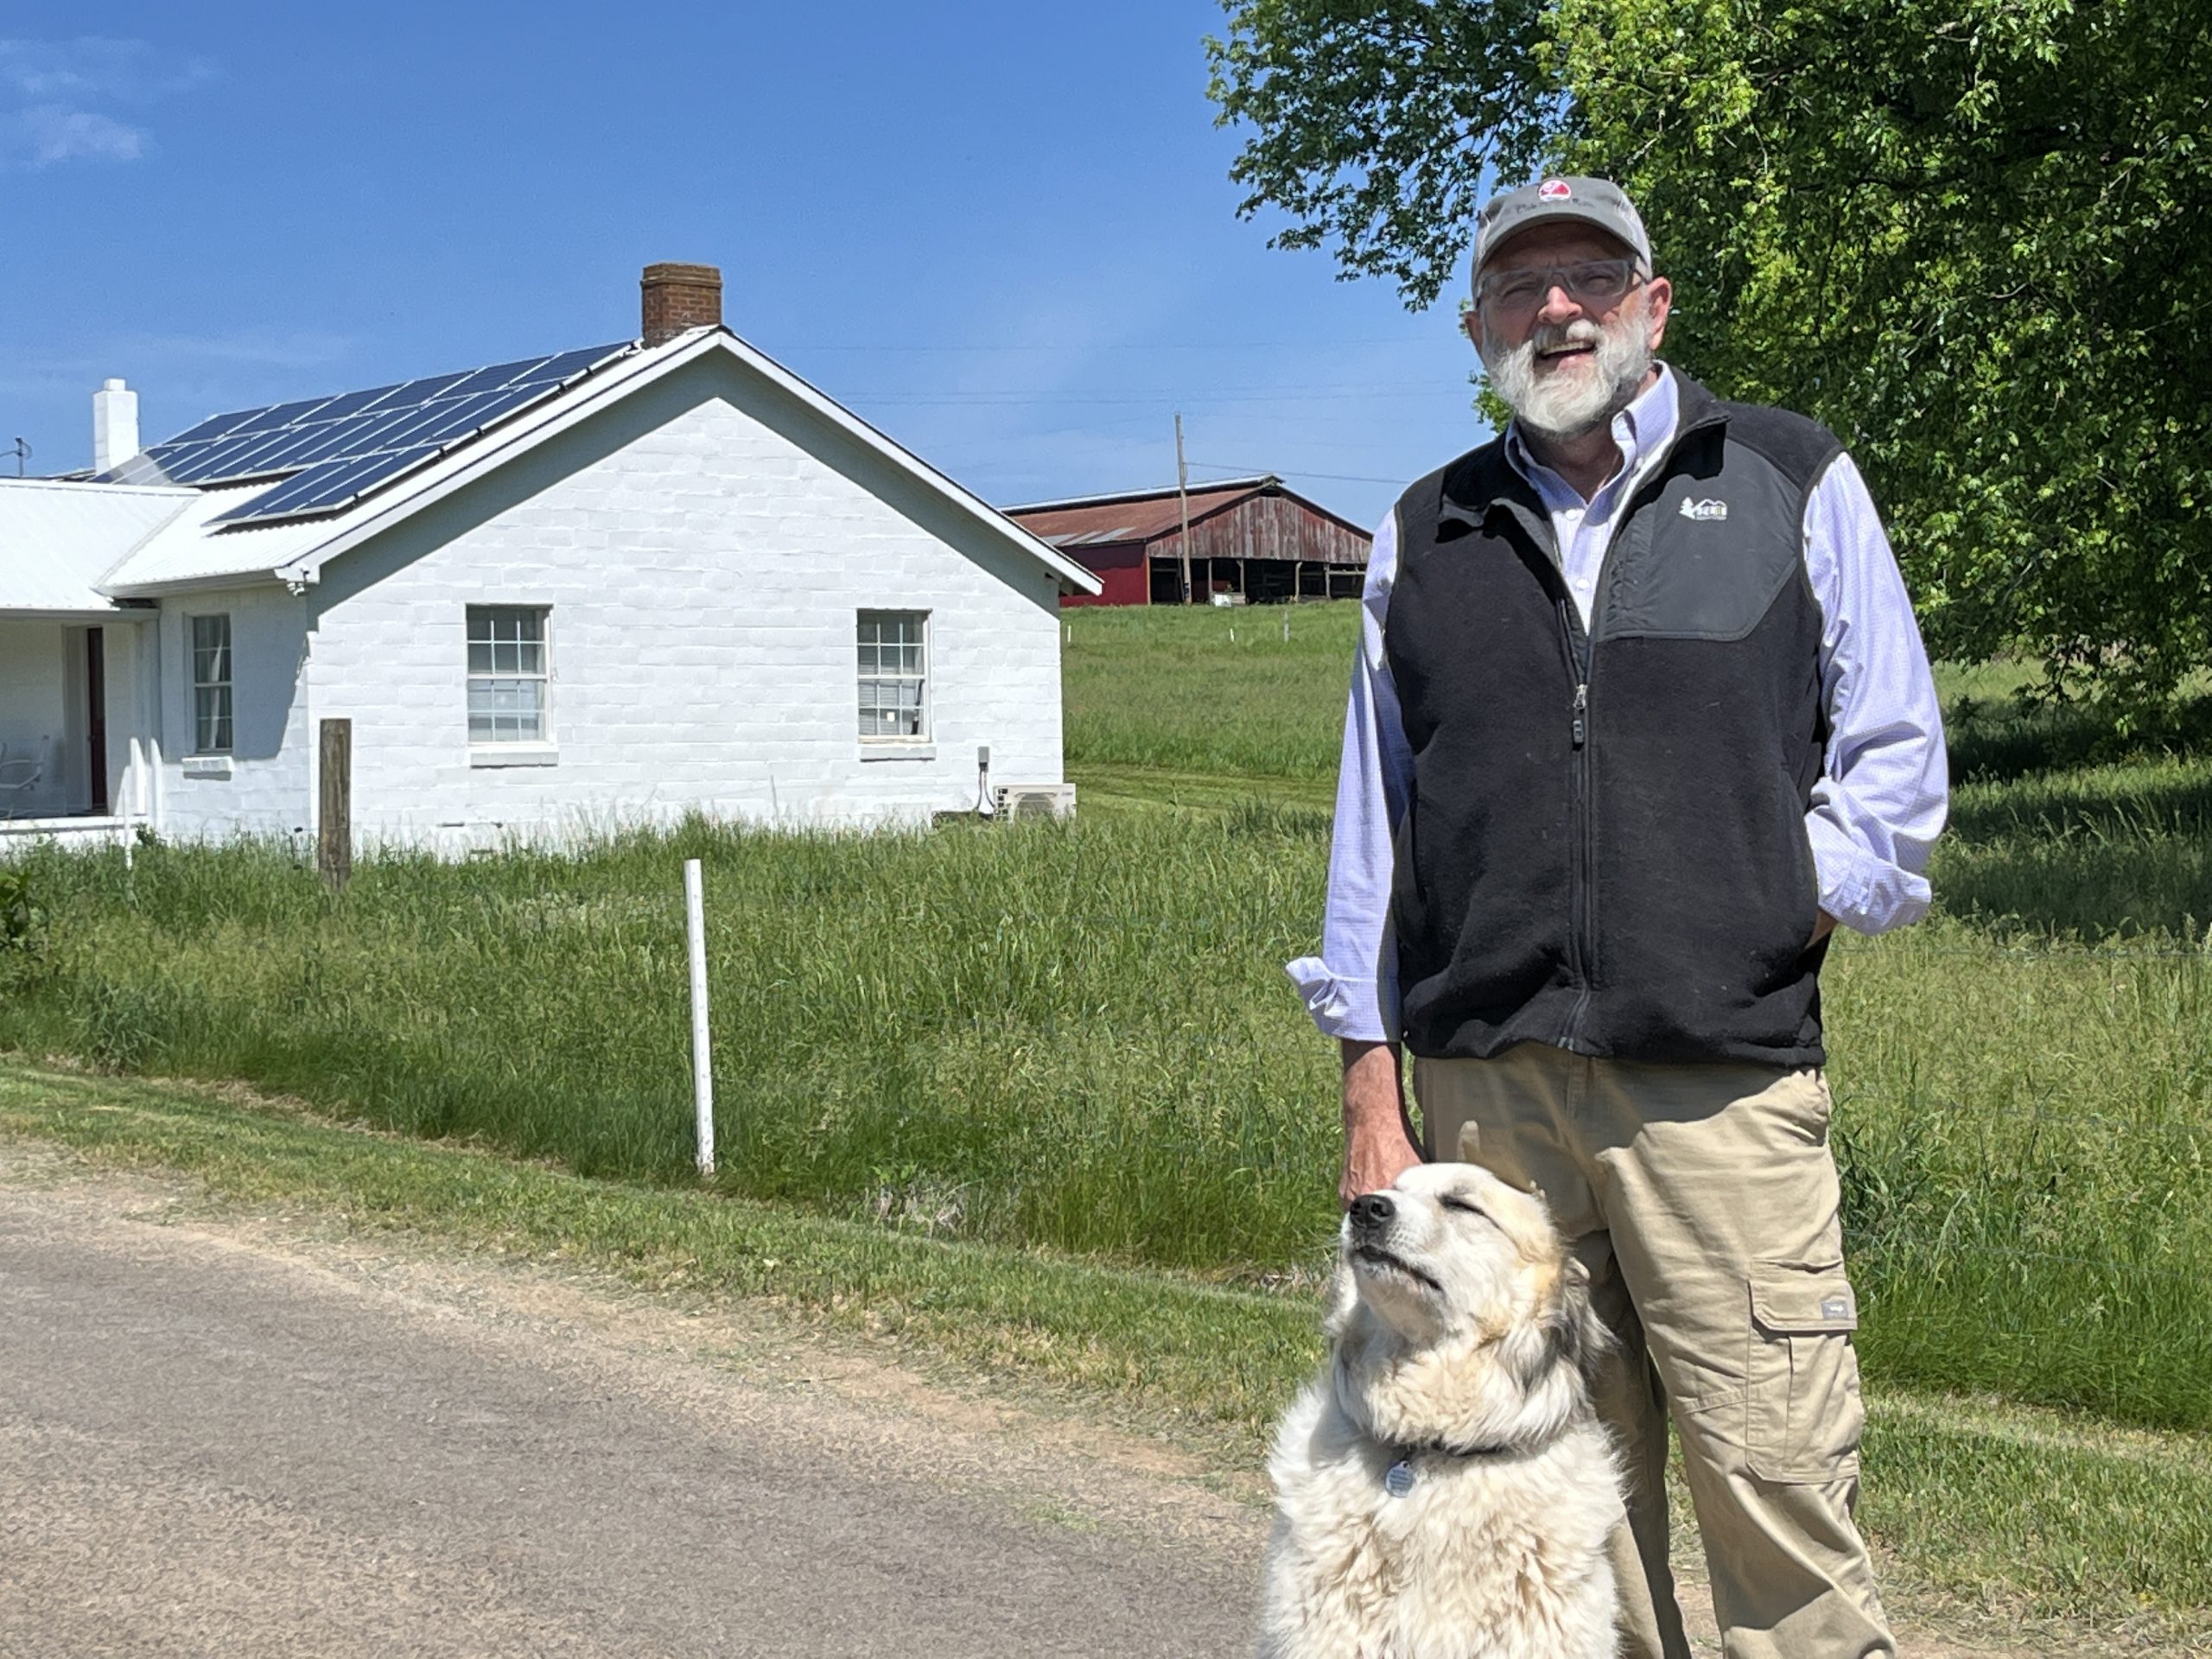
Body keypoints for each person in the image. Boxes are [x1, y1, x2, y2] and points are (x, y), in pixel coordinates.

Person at [1287, 175, 1948, 1659]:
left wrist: (1776, 899)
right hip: (1487, 1114)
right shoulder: (1421, 532)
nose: (1559, 309)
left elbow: (1896, 765)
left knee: (1776, 1479)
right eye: (1522, 288)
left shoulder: (1789, 478)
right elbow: (1372, 836)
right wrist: (1370, 1089)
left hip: (1717, 1088)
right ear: (1479, 329)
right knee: (1549, 1507)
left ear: (1653, 307)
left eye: (1591, 276)